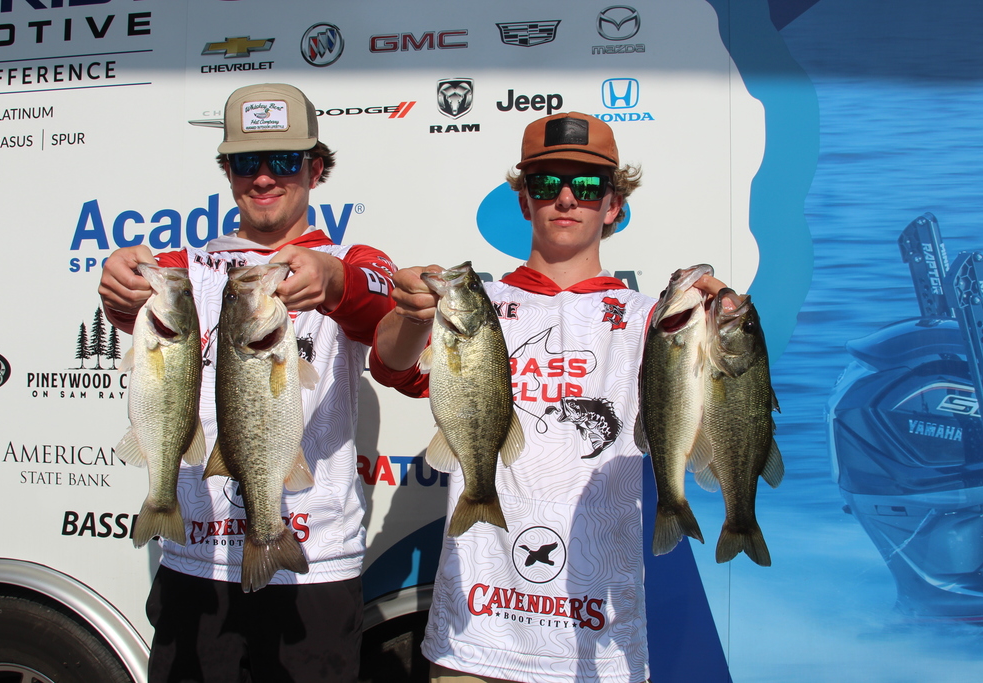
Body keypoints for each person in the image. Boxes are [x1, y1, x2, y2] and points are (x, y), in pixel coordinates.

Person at [370, 112, 724, 683]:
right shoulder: (475, 305)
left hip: (596, 643)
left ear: (614, 204)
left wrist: (728, 326)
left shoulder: (654, 320)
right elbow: (392, 366)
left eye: (587, 185)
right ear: (523, 200)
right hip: (475, 638)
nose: (565, 198)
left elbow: (710, 405)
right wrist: (410, 316)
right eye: (545, 183)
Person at [99, 83, 396, 683]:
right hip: (196, 560)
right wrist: (119, 284)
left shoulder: (352, 259)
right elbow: (135, 310)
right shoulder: (184, 269)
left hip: (314, 564)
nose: (264, 177)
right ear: (228, 172)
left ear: (315, 168)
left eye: (284, 160)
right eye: (245, 162)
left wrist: (336, 282)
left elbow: (387, 319)